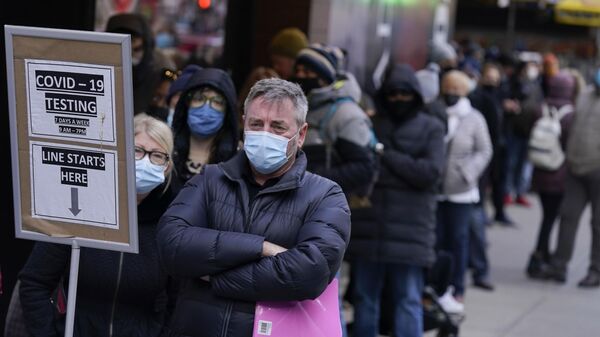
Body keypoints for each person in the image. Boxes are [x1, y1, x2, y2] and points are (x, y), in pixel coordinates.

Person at [156, 78, 351, 337]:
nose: (265, 134)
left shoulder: (325, 195)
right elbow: (171, 243)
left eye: (278, 127)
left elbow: (311, 272)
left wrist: (216, 278)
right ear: (244, 124)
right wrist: (261, 247)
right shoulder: (209, 179)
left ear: (301, 134)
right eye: (256, 124)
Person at [19, 114, 177, 336]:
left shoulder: (173, 222)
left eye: (157, 155)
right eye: (137, 150)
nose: (145, 161)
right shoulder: (81, 207)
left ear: (167, 167)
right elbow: (34, 282)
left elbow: (178, 299)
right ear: (119, 153)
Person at [346, 64, 446, 337]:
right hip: (371, 226)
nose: (399, 99)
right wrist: (404, 170)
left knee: (408, 299)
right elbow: (362, 169)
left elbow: (430, 174)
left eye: (405, 93)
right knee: (365, 298)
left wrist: (386, 156)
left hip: (410, 231)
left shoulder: (432, 128)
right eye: (393, 93)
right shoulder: (373, 124)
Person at [291, 45, 377, 198]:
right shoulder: (298, 108)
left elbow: (363, 168)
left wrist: (313, 179)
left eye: (307, 72)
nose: (300, 76)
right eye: (297, 71)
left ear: (324, 79)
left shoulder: (346, 114)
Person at [436, 70, 492, 303]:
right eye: (447, 89)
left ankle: (458, 286)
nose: (451, 94)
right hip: (436, 191)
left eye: (456, 90)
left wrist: (467, 173)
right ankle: (438, 285)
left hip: (462, 192)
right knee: (437, 240)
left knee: (458, 240)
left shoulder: (474, 118)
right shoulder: (436, 112)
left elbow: (484, 150)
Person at [542, 68, 600, 287]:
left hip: (597, 171)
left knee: (598, 224)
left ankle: (596, 270)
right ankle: (559, 265)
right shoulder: (584, 95)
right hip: (575, 169)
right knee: (568, 217)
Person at [525, 71, 576, 279]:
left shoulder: (540, 108)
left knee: (547, 216)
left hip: (540, 171)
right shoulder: (571, 114)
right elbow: (569, 146)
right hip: (559, 172)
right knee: (550, 219)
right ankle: (539, 256)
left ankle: (542, 255)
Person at [170, 66, 240, 189]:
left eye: (217, 102)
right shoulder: (165, 151)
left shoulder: (238, 161)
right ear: (186, 104)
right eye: (198, 99)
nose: (206, 108)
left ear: (227, 112)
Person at [106, 13, 176, 115]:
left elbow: (167, 92)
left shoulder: (161, 62)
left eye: (133, 40)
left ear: (144, 40)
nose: (128, 47)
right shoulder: (104, 59)